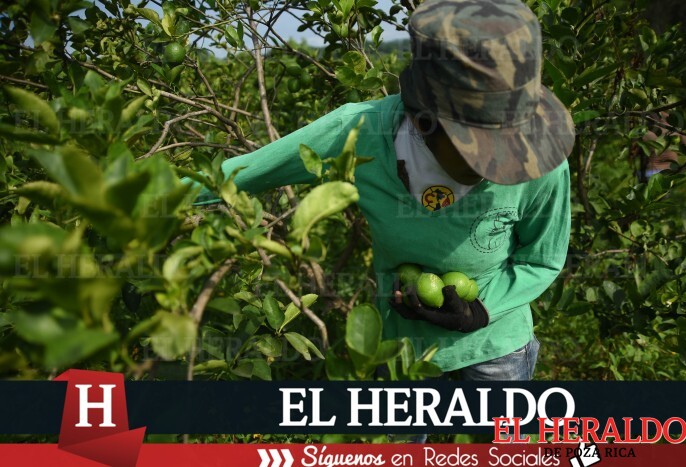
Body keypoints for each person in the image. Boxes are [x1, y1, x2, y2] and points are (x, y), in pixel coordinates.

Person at [185, 0, 574, 384]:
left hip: (496, 343)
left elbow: (542, 260)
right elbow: (241, 174)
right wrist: (144, 200)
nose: (500, 164)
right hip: (400, 345)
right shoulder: (363, 131)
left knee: (505, 448)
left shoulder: (536, 159)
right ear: (424, 121)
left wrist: (484, 310)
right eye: (484, 150)